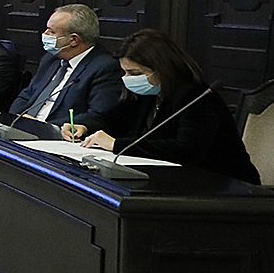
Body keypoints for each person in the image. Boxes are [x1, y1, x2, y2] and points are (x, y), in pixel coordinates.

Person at [64, 28, 259, 184]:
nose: (127, 79)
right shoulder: (147, 94)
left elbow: (187, 150)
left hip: (221, 184)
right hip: (171, 180)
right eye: (125, 72)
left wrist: (117, 145)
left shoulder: (196, 96)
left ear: (161, 69)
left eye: (135, 73)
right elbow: (113, 118)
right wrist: (85, 126)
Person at [8, 4, 123, 131]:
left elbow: (98, 115)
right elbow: (26, 95)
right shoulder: (50, 59)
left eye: (51, 32)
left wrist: (44, 127)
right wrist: (14, 118)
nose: (45, 34)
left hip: (58, 134)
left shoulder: (105, 67)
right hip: (23, 129)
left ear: (73, 40)